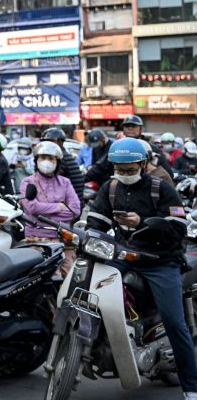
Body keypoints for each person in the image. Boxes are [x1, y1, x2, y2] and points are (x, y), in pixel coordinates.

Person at [86, 138, 197, 398]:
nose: (124, 175)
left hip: (161, 261)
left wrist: (142, 221)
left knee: (174, 321)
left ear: (143, 164)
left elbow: (178, 227)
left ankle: (191, 387)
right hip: (124, 255)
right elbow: (95, 222)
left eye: (130, 169)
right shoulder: (110, 188)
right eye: (119, 169)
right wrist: (84, 233)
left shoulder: (162, 188)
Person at [20, 142, 80, 277]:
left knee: (71, 278)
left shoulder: (65, 182)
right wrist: (59, 206)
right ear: (36, 160)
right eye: (42, 158)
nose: (46, 162)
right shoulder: (28, 182)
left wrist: (44, 214)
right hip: (36, 239)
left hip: (63, 239)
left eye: (51, 158)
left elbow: (75, 210)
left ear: (57, 162)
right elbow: (31, 207)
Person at [40, 127, 84, 200]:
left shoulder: (59, 158)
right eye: (44, 142)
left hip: (69, 205)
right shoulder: (61, 155)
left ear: (61, 142)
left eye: (50, 141)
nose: (47, 144)